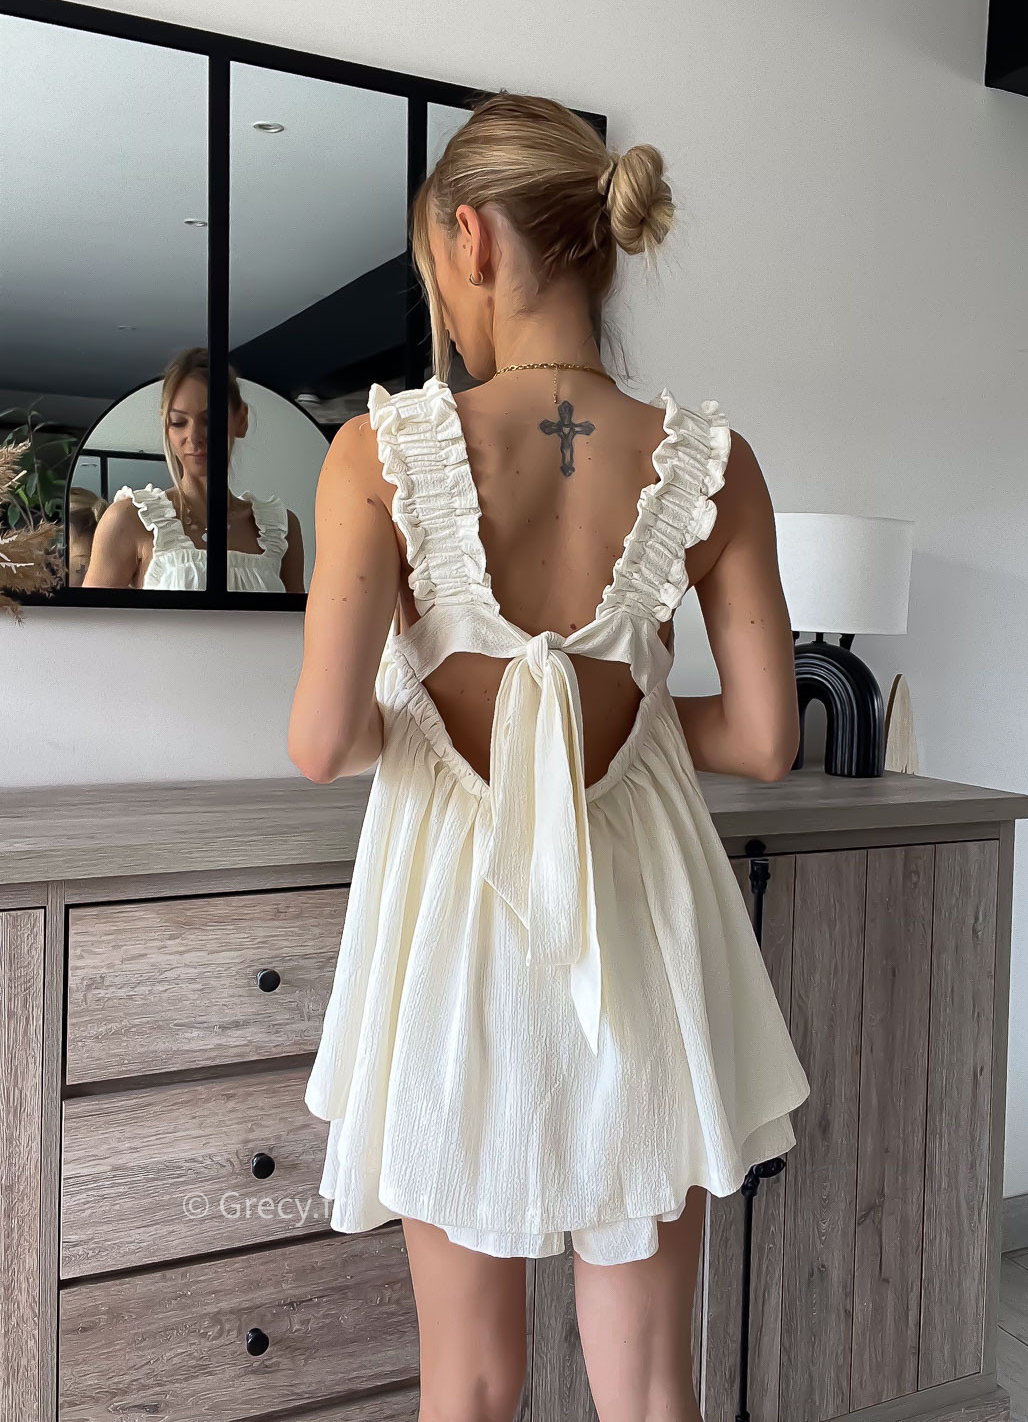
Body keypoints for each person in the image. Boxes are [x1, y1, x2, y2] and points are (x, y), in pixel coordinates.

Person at [288, 91, 811, 1422]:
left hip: (452, 934)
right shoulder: (712, 463)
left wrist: (441, 714)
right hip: (645, 930)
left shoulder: (379, 454)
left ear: (471, 239)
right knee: (649, 1385)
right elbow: (766, 738)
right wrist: (609, 715)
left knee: (468, 1384)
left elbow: (322, 739)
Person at [82, 347, 304, 592]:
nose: (194, 436)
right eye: (178, 422)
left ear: (241, 420)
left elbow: (301, 617)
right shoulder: (130, 520)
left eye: (210, 420)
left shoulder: (281, 528)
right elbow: (91, 617)